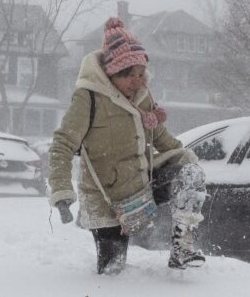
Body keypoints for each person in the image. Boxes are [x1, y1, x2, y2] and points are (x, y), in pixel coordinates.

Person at [48, 18, 207, 275]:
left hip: (142, 184)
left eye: (140, 73)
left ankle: (183, 248)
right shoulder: (88, 97)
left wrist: (190, 161)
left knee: (190, 173)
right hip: (106, 198)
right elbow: (62, 144)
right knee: (113, 271)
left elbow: (161, 138)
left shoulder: (142, 97)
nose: (136, 81)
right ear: (112, 72)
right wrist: (62, 192)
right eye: (128, 75)